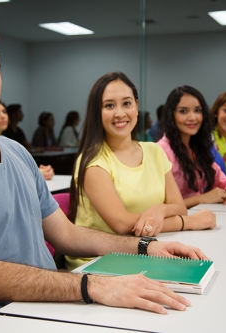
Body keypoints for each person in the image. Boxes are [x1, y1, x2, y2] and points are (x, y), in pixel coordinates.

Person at [0, 18, 208, 329]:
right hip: (6, 321)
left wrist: (146, 247)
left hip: (54, 305)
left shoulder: (15, 151)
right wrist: (94, 285)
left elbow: (67, 235)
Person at [66, 72, 216, 271]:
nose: (120, 113)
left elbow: (178, 205)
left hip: (144, 249)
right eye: (109, 105)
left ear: (136, 106)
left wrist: (159, 209)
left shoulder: (154, 151)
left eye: (126, 103)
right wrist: (188, 222)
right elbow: (121, 224)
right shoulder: (93, 162)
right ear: (97, 112)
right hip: (97, 262)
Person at [157, 86, 226, 208]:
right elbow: (159, 206)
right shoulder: (161, 151)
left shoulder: (198, 148)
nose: (193, 117)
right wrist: (201, 199)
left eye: (197, 110)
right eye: (183, 111)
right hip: (174, 224)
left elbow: (223, 180)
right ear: (171, 115)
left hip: (199, 219)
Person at [0, 101, 54, 179]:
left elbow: (16, 166)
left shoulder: (5, 139)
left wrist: (38, 171)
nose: (3, 116)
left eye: (4, 112)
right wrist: (36, 173)